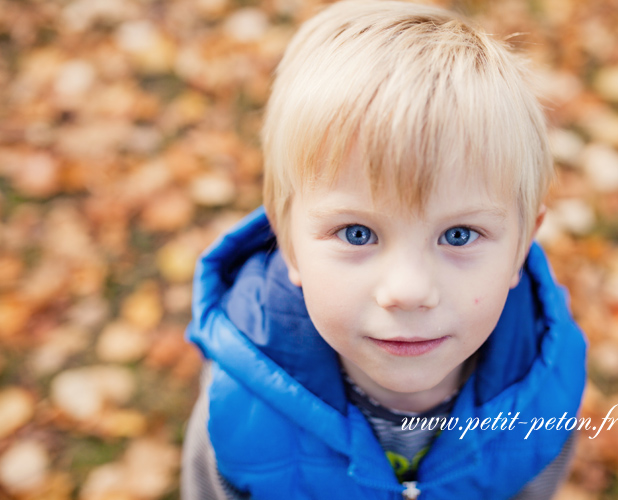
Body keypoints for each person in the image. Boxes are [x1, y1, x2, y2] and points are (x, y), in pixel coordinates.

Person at [181, 1, 587, 498]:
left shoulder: (544, 390)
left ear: (522, 247)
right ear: (288, 243)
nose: (408, 291)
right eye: (357, 233)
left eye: (457, 235)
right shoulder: (243, 407)